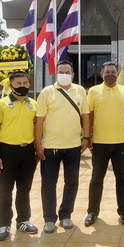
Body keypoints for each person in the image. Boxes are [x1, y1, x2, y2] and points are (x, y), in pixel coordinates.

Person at [35, 60, 90, 234]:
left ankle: (66, 214)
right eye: (61, 72)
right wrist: (38, 143)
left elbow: (85, 116)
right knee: (48, 183)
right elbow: (39, 120)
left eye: (67, 72)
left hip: (73, 145)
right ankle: (49, 218)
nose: (64, 75)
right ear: (56, 74)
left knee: (72, 182)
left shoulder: (80, 91)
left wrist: (86, 137)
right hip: (51, 146)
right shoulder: (47, 92)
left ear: (73, 74)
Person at [0, 71, 39, 241]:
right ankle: (4, 224)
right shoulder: (1, 105)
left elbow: (37, 129)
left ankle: (23, 220)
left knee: (24, 189)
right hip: (6, 152)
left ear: (29, 84)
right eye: (18, 83)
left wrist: (37, 149)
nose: (22, 86)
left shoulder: (34, 104)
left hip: (27, 152)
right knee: (5, 191)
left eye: (25, 83)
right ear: (11, 85)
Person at [84, 61, 124, 226]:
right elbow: (89, 115)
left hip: (121, 143)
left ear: (117, 74)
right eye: (107, 72)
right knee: (96, 179)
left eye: (113, 71)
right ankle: (92, 212)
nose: (110, 74)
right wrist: (88, 136)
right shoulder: (93, 91)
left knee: (122, 179)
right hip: (99, 143)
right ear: (102, 74)